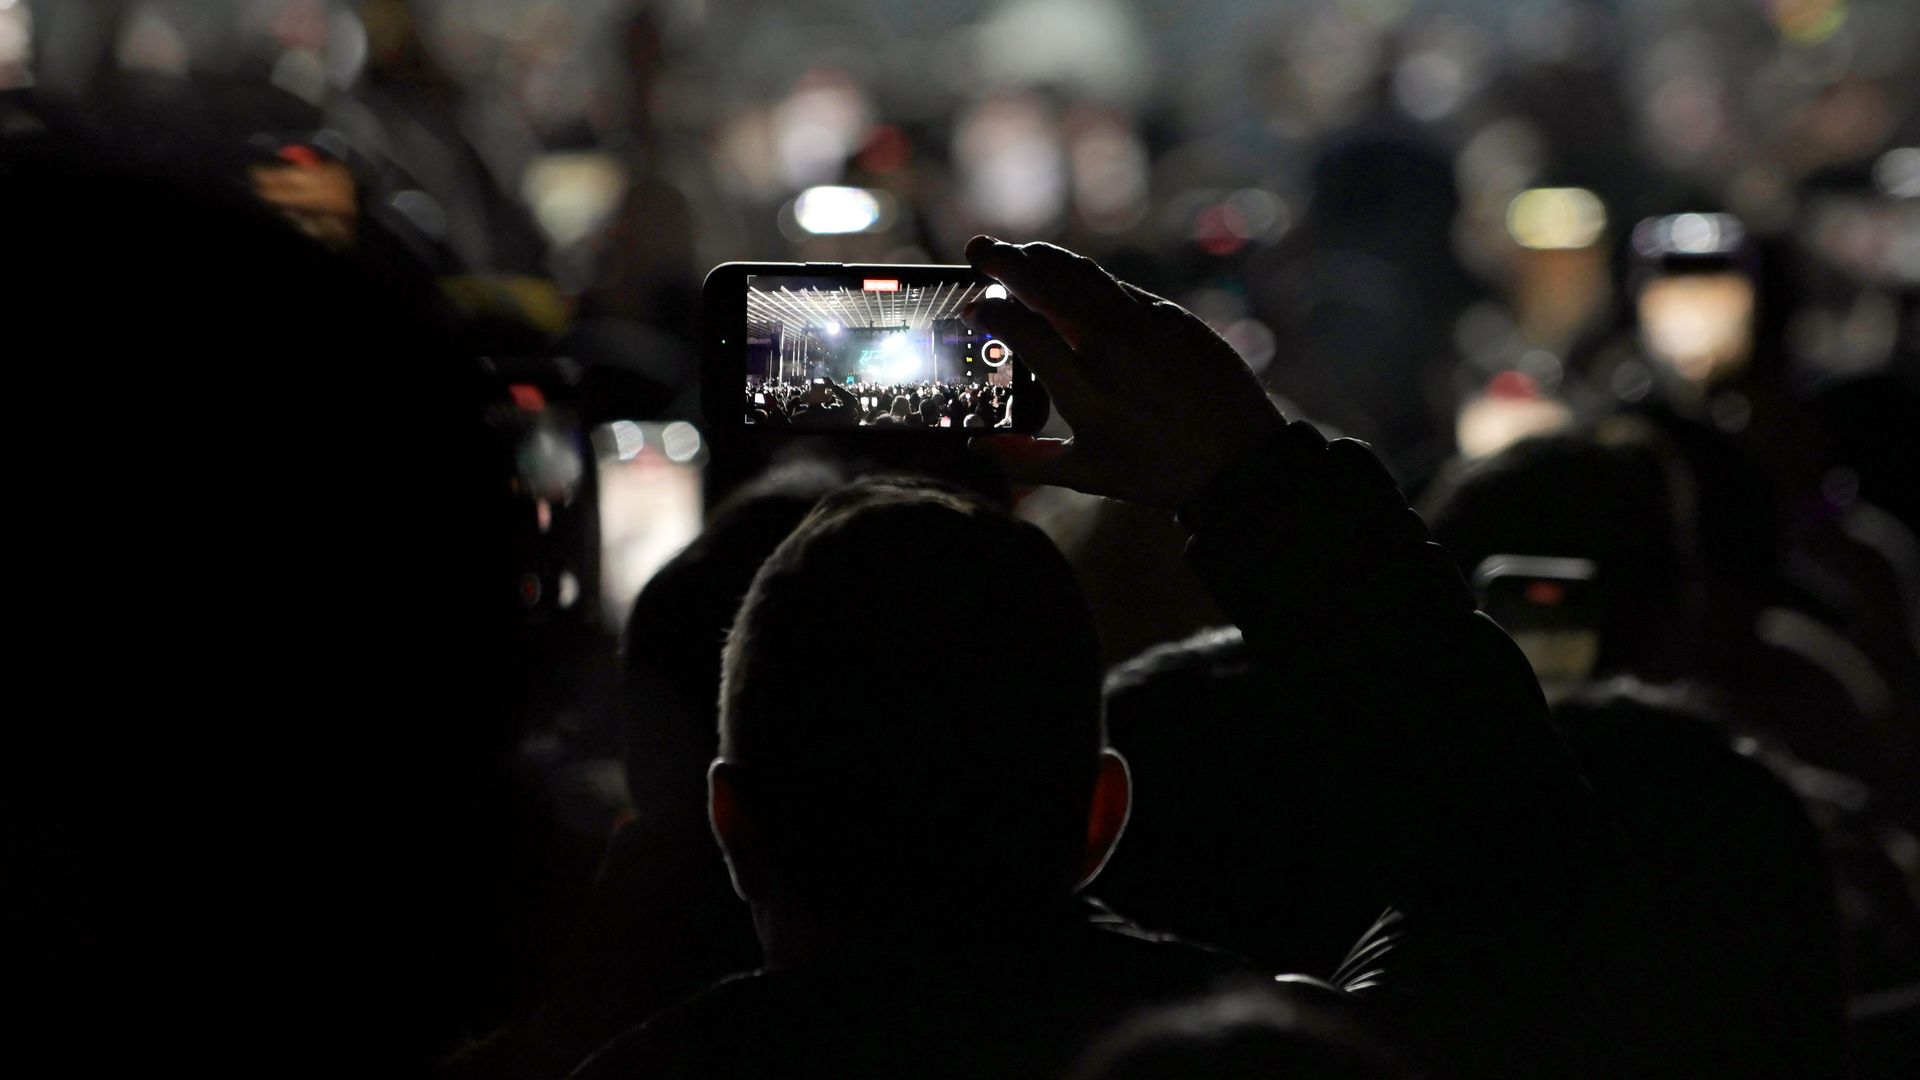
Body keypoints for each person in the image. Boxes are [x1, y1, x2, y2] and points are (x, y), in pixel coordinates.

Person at [574, 238, 1642, 1079]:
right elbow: (1526, 890)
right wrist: (1246, 474)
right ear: (1100, 814)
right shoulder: (1256, 1059)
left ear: (730, 826)